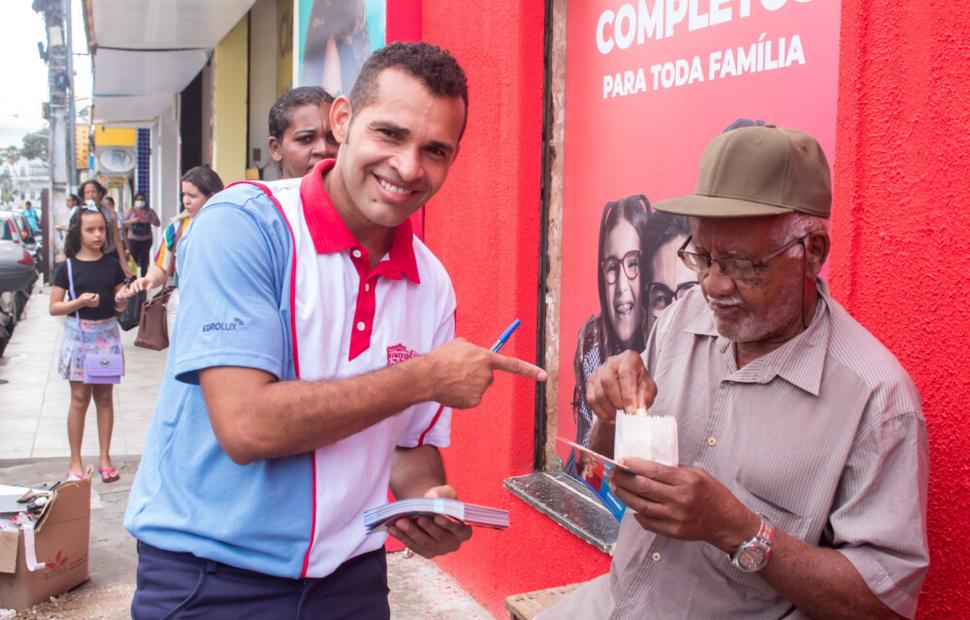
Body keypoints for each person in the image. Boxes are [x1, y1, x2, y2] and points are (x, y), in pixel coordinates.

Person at [125, 42, 547, 618]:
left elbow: (407, 447)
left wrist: (428, 507)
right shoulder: (244, 225)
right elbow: (248, 426)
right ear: (343, 120)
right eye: (391, 135)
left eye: (435, 150)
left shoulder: (432, 284)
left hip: (351, 581)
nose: (408, 167)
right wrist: (423, 376)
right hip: (211, 579)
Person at [543, 125, 928, 618]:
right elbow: (597, 473)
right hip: (616, 601)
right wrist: (610, 416)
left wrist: (741, 531)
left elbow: (886, 606)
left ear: (813, 253)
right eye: (702, 256)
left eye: (744, 264)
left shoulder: (876, 399)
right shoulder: (682, 320)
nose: (713, 285)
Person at [48, 204, 138, 483]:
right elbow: (54, 307)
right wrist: (79, 302)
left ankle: (105, 458)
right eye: (90, 229)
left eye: (101, 229)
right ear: (78, 232)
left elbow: (118, 304)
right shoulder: (67, 267)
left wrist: (122, 300)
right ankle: (75, 460)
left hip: (107, 337)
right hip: (79, 339)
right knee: (78, 400)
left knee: (105, 399)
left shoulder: (111, 264)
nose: (98, 235)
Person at [564, 195, 651, 480]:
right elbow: (585, 469)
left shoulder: (669, 342)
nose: (622, 287)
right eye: (613, 267)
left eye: (634, 264)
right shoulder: (592, 345)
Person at [128, 167, 224, 336]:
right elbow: (162, 267)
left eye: (192, 196)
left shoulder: (229, 226)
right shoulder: (177, 227)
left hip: (220, 306)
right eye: (183, 195)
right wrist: (148, 280)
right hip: (183, 305)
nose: (186, 201)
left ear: (213, 196)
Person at [267, 86, 339, 180]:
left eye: (332, 138)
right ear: (275, 149)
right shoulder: (251, 194)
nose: (324, 149)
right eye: (306, 139)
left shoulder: (357, 194)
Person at [78, 180, 132, 277]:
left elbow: (117, 239)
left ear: (99, 193)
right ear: (83, 195)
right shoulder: (79, 213)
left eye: (94, 191)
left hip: (108, 254)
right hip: (87, 257)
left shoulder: (109, 212)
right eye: (87, 192)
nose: (91, 195)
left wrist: (124, 263)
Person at [124, 192, 160, 276]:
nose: (140, 201)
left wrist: (148, 220)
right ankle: (132, 280)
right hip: (133, 239)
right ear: (135, 200)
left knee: (145, 260)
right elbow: (123, 223)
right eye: (138, 199)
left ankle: (144, 279)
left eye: (142, 200)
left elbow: (158, 223)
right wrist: (133, 220)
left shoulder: (150, 211)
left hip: (146, 239)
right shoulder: (131, 210)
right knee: (132, 260)